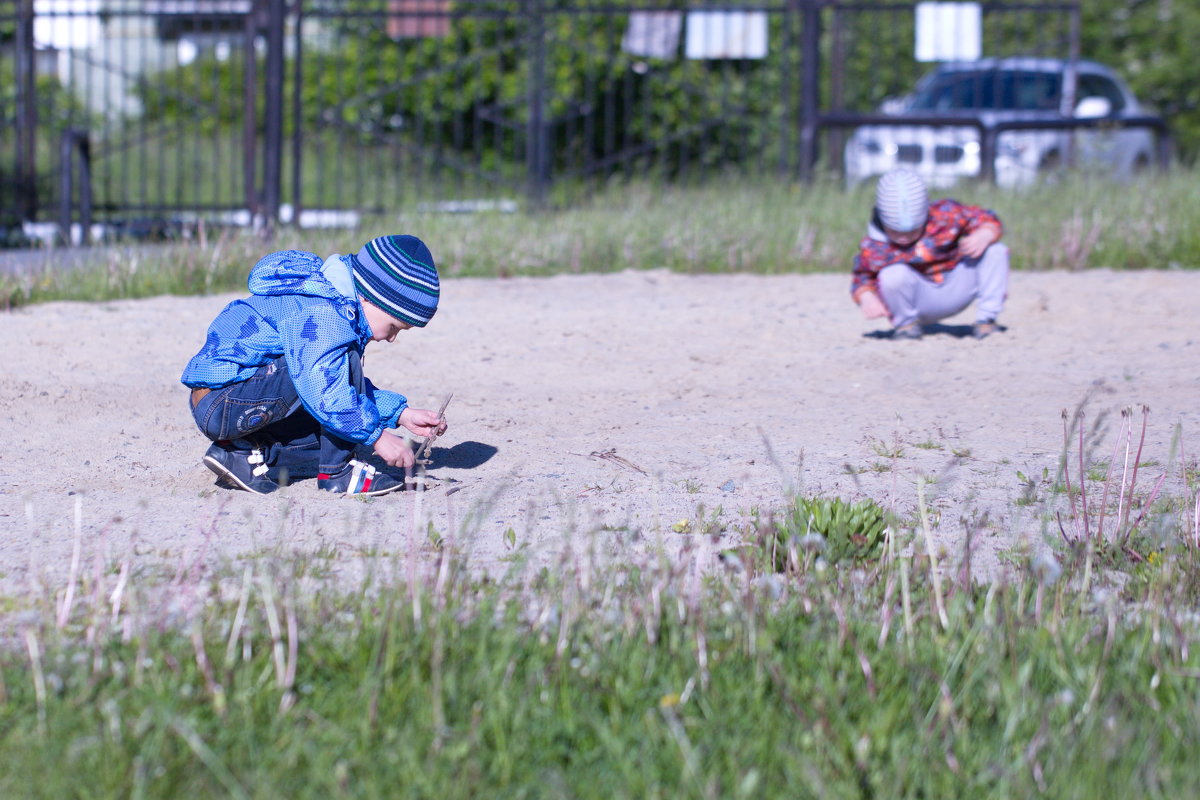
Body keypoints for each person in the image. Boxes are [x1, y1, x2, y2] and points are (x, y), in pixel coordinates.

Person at [181, 234, 448, 496]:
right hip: (223, 403)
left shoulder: (334, 305)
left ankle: (242, 453)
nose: (390, 338)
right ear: (370, 297)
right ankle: (338, 473)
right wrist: (377, 437)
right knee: (337, 389)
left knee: (339, 411)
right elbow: (325, 387)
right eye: (394, 327)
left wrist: (401, 414)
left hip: (227, 401)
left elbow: (339, 386)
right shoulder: (323, 314)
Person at [851, 168, 1009, 340]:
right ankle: (906, 326)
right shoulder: (874, 245)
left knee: (995, 250)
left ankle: (986, 320)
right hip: (917, 301)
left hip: (958, 285)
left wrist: (985, 233)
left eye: (913, 231)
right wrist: (866, 296)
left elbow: (986, 218)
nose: (904, 238)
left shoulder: (946, 215)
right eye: (895, 232)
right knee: (892, 275)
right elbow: (861, 277)